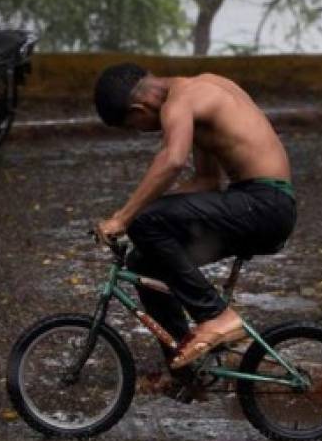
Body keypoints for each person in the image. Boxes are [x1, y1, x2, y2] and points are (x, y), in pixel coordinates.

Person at [93, 63, 297, 370]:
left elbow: (173, 160)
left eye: (135, 126)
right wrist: (136, 210)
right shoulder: (204, 88)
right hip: (259, 203)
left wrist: (125, 218)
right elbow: (206, 182)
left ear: (139, 109)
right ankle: (187, 369)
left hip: (266, 204)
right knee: (143, 264)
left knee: (145, 219)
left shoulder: (180, 100)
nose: (145, 130)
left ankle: (217, 316)